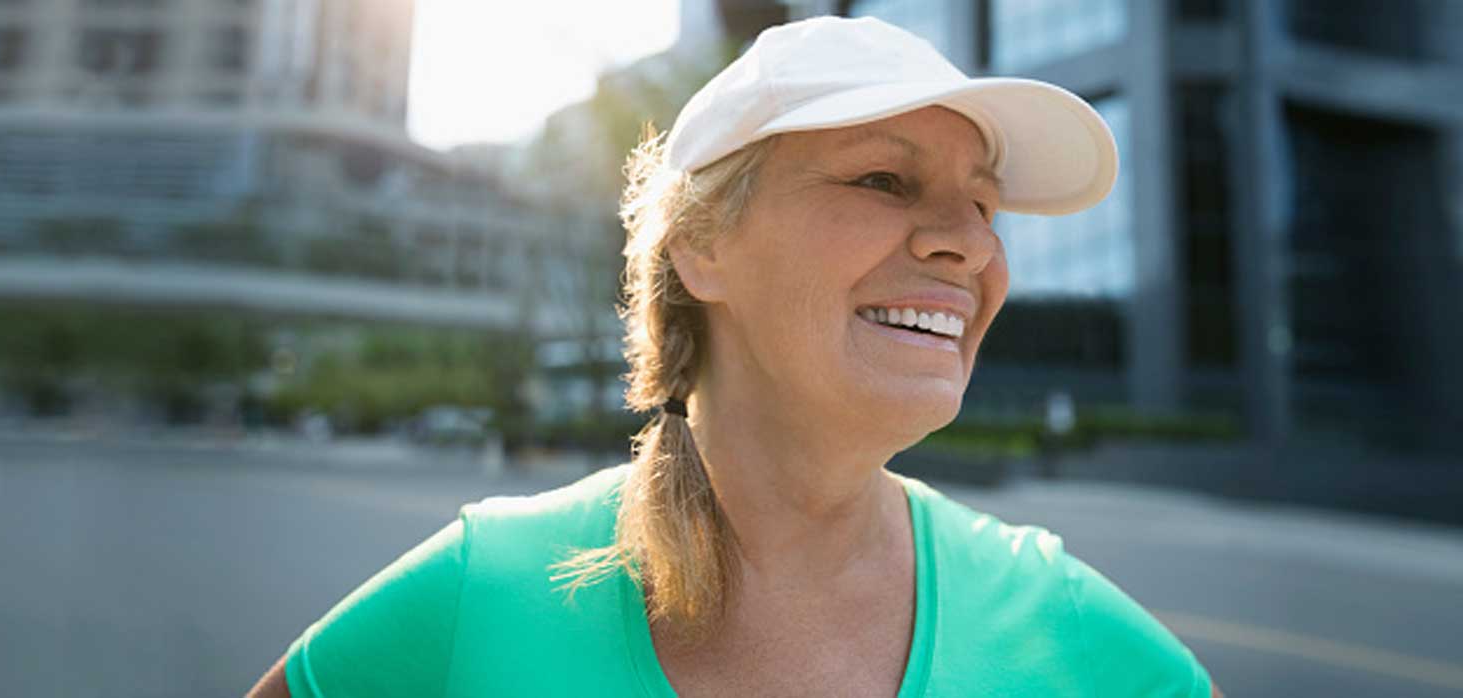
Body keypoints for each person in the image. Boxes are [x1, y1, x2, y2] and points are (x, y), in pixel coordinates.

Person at [249, 16, 1222, 698]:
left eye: (982, 203)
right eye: (885, 177)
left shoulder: (1060, 622)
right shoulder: (482, 589)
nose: (967, 243)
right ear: (701, 246)